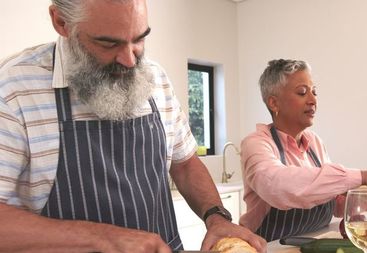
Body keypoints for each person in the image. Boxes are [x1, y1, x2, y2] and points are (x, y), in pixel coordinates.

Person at [0, 0, 266, 252]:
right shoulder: (15, 90)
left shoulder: (154, 78)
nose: (129, 60)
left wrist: (216, 217)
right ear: (61, 22)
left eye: (139, 39)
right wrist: (104, 238)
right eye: (108, 43)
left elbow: (184, 164)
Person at [239, 59, 367, 242]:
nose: (313, 100)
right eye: (302, 92)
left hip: (310, 241)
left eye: (314, 92)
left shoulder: (315, 142)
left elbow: (333, 203)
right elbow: (277, 186)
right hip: (267, 246)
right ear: (274, 103)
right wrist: (363, 176)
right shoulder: (256, 143)